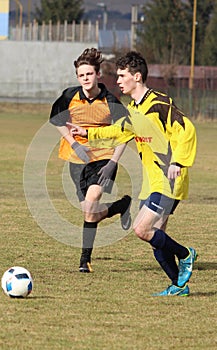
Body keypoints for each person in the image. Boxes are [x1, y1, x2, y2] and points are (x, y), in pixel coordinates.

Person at [69, 51, 197, 296]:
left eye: (122, 75)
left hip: (169, 179)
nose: (117, 80)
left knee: (141, 229)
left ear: (137, 77)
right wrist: (89, 134)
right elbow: (120, 131)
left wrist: (178, 162)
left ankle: (186, 254)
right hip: (153, 181)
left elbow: (187, 130)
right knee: (155, 235)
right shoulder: (134, 108)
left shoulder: (159, 103)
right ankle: (178, 285)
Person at [49, 48, 132, 273]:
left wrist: (113, 162)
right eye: (81, 75)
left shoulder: (111, 101)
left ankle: (84, 260)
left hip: (103, 159)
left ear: (98, 75)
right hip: (76, 160)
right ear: (78, 77)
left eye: (89, 74)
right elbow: (56, 119)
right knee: (89, 212)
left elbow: (126, 131)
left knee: (94, 197)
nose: (85, 78)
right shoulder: (69, 96)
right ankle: (120, 206)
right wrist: (73, 142)